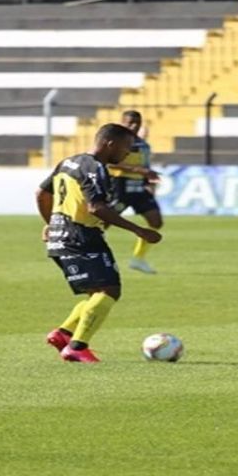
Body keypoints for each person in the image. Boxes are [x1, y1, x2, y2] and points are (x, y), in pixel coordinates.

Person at [36, 123, 163, 363]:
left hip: (62, 237)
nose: (127, 153)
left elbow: (41, 193)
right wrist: (138, 230)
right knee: (109, 290)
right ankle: (77, 346)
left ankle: (63, 333)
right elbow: (97, 207)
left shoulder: (69, 162)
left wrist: (50, 223)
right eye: (125, 147)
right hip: (81, 236)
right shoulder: (95, 169)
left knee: (97, 292)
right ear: (110, 144)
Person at [107, 111, 164, 274]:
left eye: (137, 123)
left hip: (139, 188)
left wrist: (149, 179)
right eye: (130, 122)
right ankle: (96, 257)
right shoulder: (115, 142)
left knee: (156, 222)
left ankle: (138, 259)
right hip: (119, 187)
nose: (134, 126)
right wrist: (136, 169)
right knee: (103, 224)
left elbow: (145, 166)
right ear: (122, 122)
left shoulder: (143, 145)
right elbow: (108, 164)